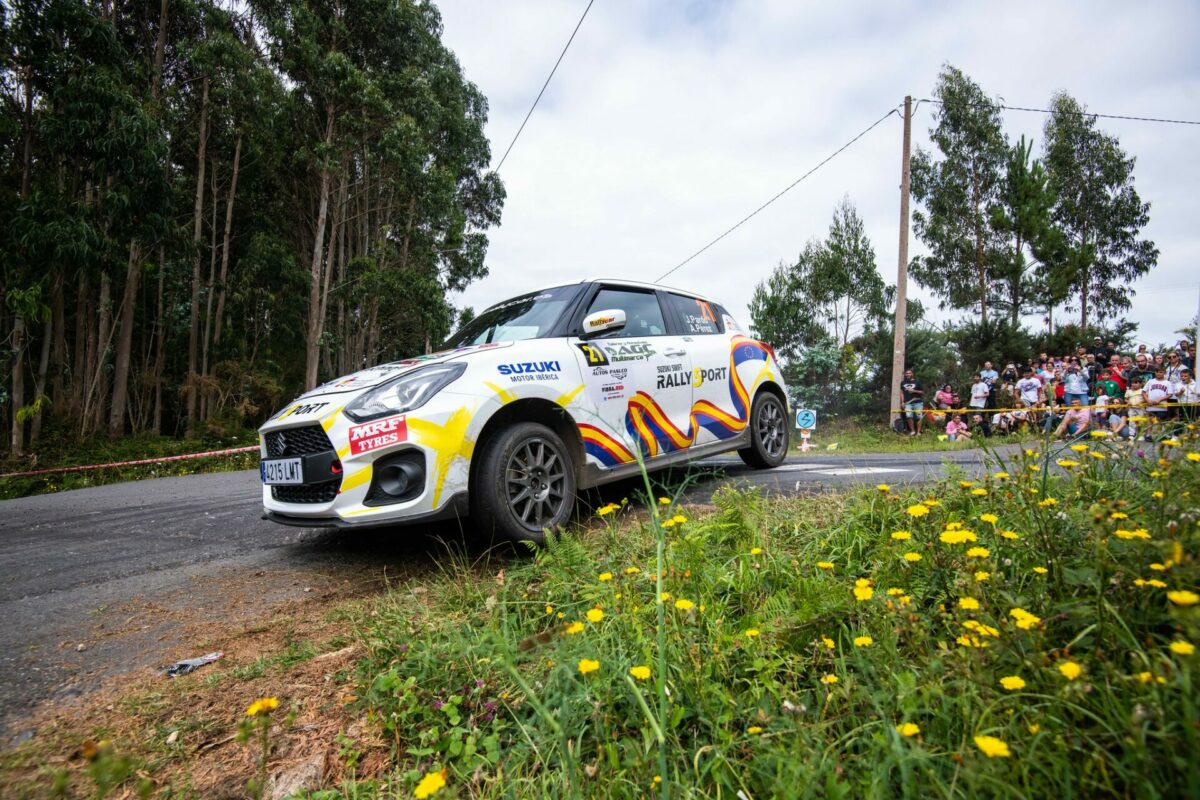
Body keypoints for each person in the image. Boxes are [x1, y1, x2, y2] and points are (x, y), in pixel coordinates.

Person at [900, 368, 924, 436]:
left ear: (912, 374)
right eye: (906, 373)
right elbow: (901, 393)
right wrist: (902, 402)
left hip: (918, 402)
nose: (908, 374)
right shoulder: (903, 382)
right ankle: (913, 431)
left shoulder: (917, 382)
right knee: (908, 416)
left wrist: (914, 391)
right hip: (907, 403)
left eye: (909, 373)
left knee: (919, 417)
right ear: (905, 374)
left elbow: (922, 392)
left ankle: (918, 432)